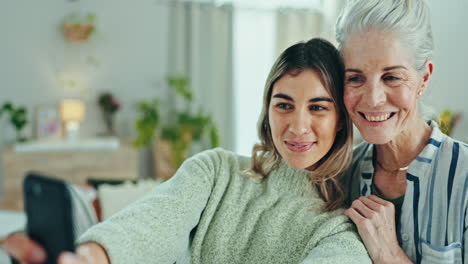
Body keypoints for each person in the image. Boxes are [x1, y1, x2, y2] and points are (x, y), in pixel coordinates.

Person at [1, 38, 371, 264]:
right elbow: (150, 225)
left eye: (318, 107)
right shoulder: (216, 171)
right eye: (284, 104)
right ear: (267, 107)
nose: (298, 126)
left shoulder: (340, 229)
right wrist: (89, 258)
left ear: (341, 119)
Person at [335, 0, 468, 263]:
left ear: (424, 79)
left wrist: (389, 255)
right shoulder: (338, 176)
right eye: (355, 78)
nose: (373, 99)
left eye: (392, 77)